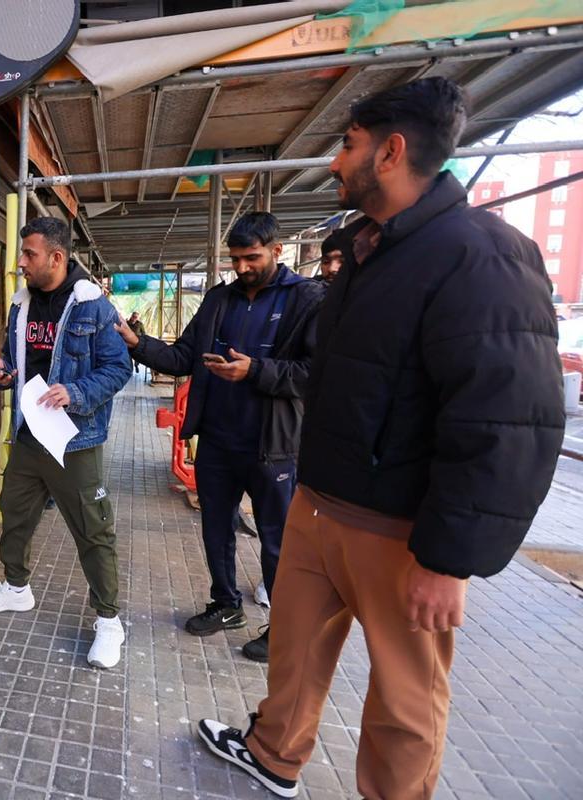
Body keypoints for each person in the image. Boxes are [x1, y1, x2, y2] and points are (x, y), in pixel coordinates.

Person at [196, 77, 564, 799]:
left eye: (349, 144)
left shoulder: (480, 256)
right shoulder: (366, 255)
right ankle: (273, 756)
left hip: (400, 531)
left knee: (403, 699)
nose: (337, 162)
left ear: (391, 151)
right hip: (319, 502)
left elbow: (509, 421)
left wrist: (449, 559)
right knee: (294, 656)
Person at [115, 212, 323, 663]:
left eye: (253, 258)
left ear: (277, 250)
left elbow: (318, 374)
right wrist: (138, 344)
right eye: (236, 259)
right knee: (216, 528)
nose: (243, 268)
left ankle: (285, 628)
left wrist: (256, 371)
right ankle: (226, 604)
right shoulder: (219, 299)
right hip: (217, 440)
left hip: (273, 446)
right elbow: (184, 356)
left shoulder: (307, 298)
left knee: (277, 541)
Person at [0, 216, 133, 669]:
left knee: (93, 530)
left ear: (57, 258)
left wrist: (75, 392)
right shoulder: (21, 305)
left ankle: (108, 621)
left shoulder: (92, 306)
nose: (21, 263)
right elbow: (17, 363)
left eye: (29, 255)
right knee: (14, 515)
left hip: (74, 440)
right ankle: (16, 588)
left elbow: (119, 368)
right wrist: (5, 377)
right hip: (28, 434)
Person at [127, 312, 147, 378]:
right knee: (128, 357)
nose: (134, 318)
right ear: (131, 316)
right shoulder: (127, 323)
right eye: (133, 316)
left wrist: (143, 339)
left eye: (136, 317)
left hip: (137, 343)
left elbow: (144, 333)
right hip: (128, 343)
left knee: (137, 355)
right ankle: (130, 369)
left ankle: (136, 365)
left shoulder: (140, 324)